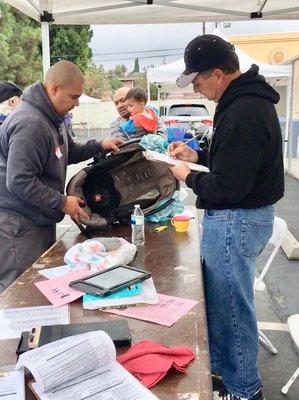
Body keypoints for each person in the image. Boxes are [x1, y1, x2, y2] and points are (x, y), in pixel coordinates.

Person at [169, 35, 284, 400]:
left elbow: (230, 185)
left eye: (199, 81)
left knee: (232, 310)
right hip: (238, 217)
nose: (198, 88)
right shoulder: (241, 103)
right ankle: (226, 377)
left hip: (237, 217)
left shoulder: (245, 109)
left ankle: (244, 390)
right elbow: (232, 158)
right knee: (223, 304)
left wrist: (188, 176)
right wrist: (197, 153)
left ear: (218, 74)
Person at [0, 60, 123, 293]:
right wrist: (62, 202)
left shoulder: (51, 118)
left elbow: (66, 151)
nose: (76, 104)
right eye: (74, 97)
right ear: (54, 89)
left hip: (38, 218)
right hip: (19, 226)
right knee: (21, 293)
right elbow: (19, 180)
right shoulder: (30, 123)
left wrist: (100, 145)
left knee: (41, 289)